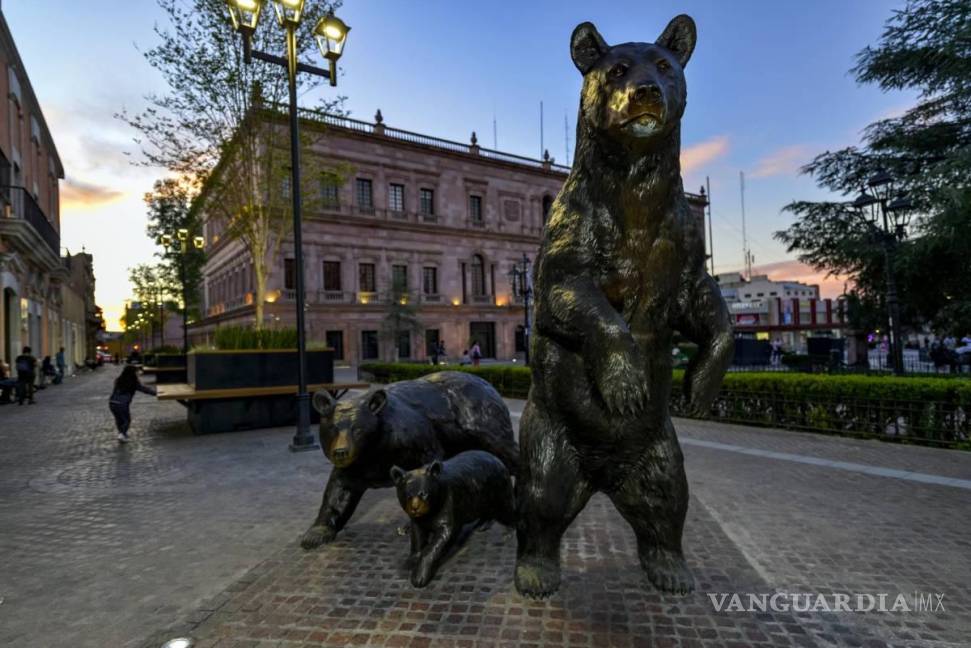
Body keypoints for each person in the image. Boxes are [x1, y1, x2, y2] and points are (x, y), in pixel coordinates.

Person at [109, 365, 157, 443]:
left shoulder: (119, 380)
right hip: (122, 404)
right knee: (126, 420)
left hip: (112, 402)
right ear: (132, 373)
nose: (138, 373)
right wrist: (156, 393)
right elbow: (144, 389)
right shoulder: (133, 382)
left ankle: (121, 434)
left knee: (119, 419)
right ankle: (122, 434)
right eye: (136, 371)